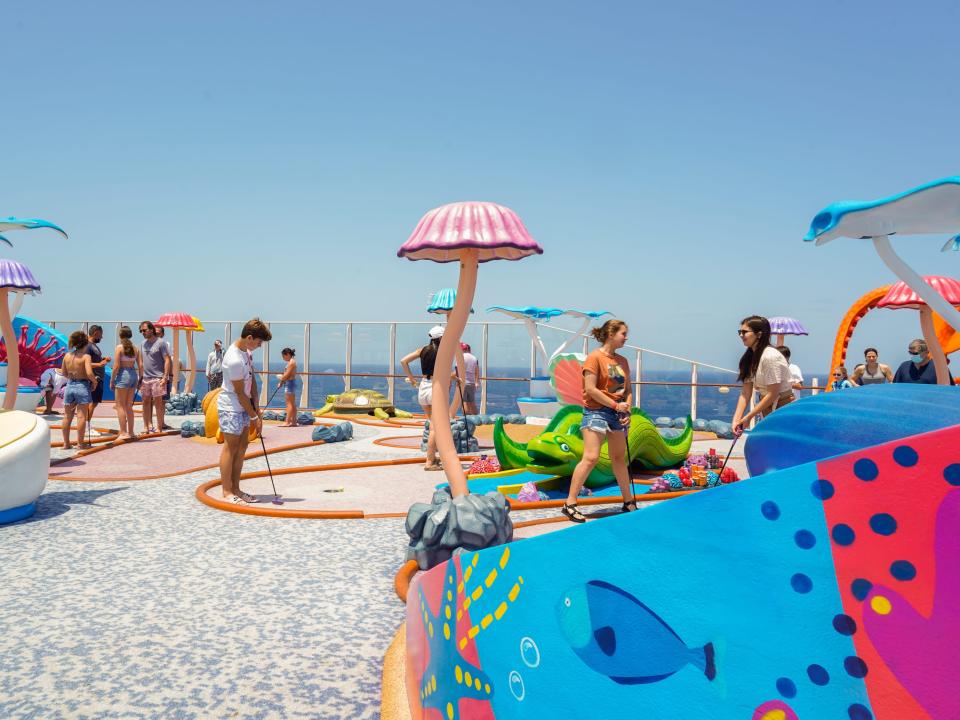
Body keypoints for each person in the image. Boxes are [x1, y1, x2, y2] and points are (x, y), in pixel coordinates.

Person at [562, 319, 636, 523]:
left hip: (618, 414)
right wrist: (615, 405)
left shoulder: (623, 361)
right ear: (611, 334)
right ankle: (570, 503)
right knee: (591, 457)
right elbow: (591, 389)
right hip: (597, 411)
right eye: (623, 333)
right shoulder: (594, 358)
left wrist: (627, 407)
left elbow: (627, 390)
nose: (626, 337)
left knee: (619, 459)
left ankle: (628, 501)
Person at [218, 317, 272, 504]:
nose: (258, 346)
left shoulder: (246, 353)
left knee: (241, 448)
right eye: (258, 342)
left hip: (243, 406)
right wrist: (254, 417)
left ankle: (236, 488)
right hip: (231, 407)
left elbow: (252, 381)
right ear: (249, 337)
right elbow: (240, 393)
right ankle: (226, 491)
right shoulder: (233, 359)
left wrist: (257, 405)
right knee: (230, 448)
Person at [732, 315, 793, 436]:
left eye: (744, 332)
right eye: (739, 332)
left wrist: (748, 417)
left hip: (783, 407)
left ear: (759, 334)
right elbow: (745, 393)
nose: (741, 335)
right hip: (767, 408)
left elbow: (773, 393)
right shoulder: (749, 358)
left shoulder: (770, 356)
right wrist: (736, 420)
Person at [400, 325, 448, 471]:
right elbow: (445, 373)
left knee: (433, 425)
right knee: (435, 428)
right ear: (441, 338)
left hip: (423, 387)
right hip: (436, 388)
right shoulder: (443, 351)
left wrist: (412, 379)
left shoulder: (422, 350)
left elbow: (404, 361)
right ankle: (429, 461)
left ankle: (433, 456)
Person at [61, 331, 98, 449]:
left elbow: (64, 373)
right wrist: (94, 381)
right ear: (85, 343)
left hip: (70, 385)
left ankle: (66, 443)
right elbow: (89, 372)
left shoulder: (67, 356)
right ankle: (80, 443)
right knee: (81, 416)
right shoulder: (86, 357)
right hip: (82, 385)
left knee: (67, 416)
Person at [138, 321, 172, 434]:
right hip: (146, 378)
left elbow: (167, 360)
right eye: (141, 331)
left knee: (158, 403)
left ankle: (159, 427)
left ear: (151, 330)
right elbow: (141, 361)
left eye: (144, 330)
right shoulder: (143, 343)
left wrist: (165, 376)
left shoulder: (161, 343)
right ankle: (146, 426)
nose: (142, 332)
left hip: (158, 377)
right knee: (145, 402)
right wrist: (140, 377)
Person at [109, 325, 142, 440]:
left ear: (120, 335)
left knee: (120, 406)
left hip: (123, 375)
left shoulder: (119, 347)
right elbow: (141, 365)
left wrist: (112, 380)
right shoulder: (136, 348)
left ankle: (123, 432)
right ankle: (131, 432)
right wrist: (140, 378)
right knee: (128, 406)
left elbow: (116, 366)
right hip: (133, 374)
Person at [84, 325, 112, 422]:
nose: (102, 337)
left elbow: (94, 361)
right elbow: (84, 363)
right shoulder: (88, 346)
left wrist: (103, 360)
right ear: (96, 333)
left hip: (98, 378)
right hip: (94, 379)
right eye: (101, 335)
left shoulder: (93, 346)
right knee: (92, 403)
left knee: (94, 403)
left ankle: (86, 425)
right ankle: (87, 425)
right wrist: (100, 364)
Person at [276, 347, 299, 427]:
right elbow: (286, 375)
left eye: (283, 356)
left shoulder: (292, 363)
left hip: (290, 384)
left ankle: (287, 422)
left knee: (289, 403)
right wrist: (281, 382)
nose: (283, 358)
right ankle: (293, 422)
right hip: (290, 383)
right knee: (292, 404)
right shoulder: (291, 362)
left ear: (288, 354)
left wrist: (280, 377)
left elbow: (286, 375)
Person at [460, 342, 480, 414]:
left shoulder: (461, 357)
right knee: (472, 402)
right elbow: (477, 371)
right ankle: (476, 418)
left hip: (463, 383)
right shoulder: (474, 358)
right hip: (472, 383)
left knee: (464, 402)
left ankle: (466, 420)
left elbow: (457, 370)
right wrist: (476, 382)